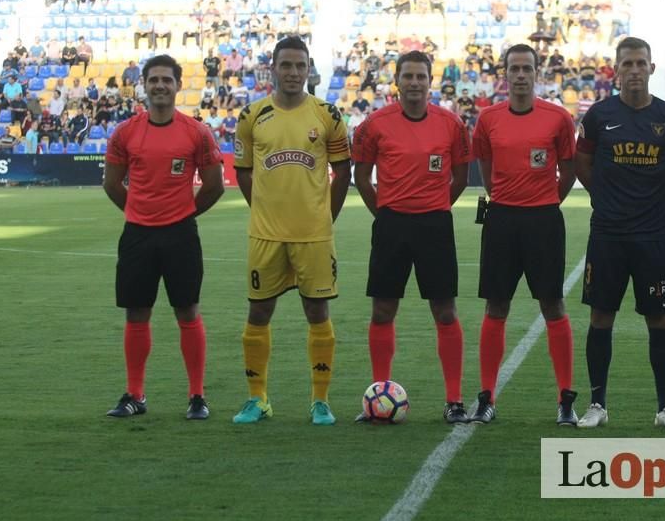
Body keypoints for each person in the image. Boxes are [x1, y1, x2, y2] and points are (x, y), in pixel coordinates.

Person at [572, 36, 665, 430]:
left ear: (652, 68)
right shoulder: (597, 117)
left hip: (654, 236)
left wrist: (648, 203)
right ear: (616, 70)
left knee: (659, 318)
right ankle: (597, 405)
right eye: (628, 64)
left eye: (642, 63)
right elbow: (583, 166)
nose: (635, 70)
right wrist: (609, 200)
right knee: (601, 316)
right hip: (608, 234)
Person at [231, 36, 351, 426]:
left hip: (313, 235)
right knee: (259, 311)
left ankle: (320, 401)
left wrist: (324, 218)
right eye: (286, 65)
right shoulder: (252, 115)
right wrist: (263, 210)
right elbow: (243, 171)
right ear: (274, 68)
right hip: (266, 236)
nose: (294, 73)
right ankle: (257, 399)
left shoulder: (328, 114)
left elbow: (343, 172)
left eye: (300, 66)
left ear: (309, 69)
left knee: (317, 310)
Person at [351, 50, 472, 424]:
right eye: (408, 76)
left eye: (421, 76)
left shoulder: (451, 124)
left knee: (445, 311)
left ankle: (453, 399)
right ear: (398, 81)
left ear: (430, 82)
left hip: (434, 225)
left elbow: (461, 178)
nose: (415, 82)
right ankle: (378, 393)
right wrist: (385, 213)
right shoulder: (375, 124)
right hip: (391, 226)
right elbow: (361, 175)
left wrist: (435, 207)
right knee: (383, 310)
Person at [102, 54, 225, 420]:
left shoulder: (196, 132)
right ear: (144, 84)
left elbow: (215, 185)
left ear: (176, 85)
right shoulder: (126, 132)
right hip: (138, 235)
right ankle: (135, 395)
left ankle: (197, 396)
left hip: (180, 235)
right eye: (153, 79)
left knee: (187, 309)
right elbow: (111, 183)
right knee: (136, 312)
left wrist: (182, 214)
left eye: (166, 80)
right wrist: (139, 212)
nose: (159, 85)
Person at [469, 44, 578, 425]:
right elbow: (485, 163)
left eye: (526, 68)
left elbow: (569, 170)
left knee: (553, 306)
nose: (520, 75)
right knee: (496, 307)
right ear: (504, 73)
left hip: (544, 221)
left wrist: (547, 202)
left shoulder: (558, 118)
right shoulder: (488, 118)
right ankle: (486, 397)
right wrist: (502, 199)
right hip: (501, 221)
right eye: (513, 68)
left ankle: (565, 398)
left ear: (537, 73)